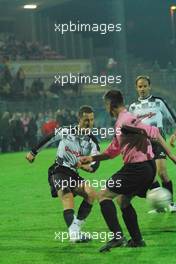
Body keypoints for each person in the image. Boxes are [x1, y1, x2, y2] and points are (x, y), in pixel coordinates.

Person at [79, 90, 176, 252]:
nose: (106, 108)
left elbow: (154, 132)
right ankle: (137, 240)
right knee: (122, 201)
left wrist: (171, 155)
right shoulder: (122, 121)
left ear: (110, 105)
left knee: (103, 195)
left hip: (137, 168)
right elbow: (113, 151)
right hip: (143, 167)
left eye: (106, 105)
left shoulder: (126, 121)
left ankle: (117, 238)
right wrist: (92, 158)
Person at [26, 105, 100, 242]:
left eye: (91, 120)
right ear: (79, 119)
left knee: (91, 193)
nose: (89, 123)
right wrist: (33, 152)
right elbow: (50, 138)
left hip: (73, 173)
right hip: (59, 170)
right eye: (86, 120)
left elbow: (95, 164)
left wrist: (83, 166)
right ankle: (74, 235)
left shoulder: (93, 141)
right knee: (67, 195)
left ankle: (75, 229)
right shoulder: (66, 130)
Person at [129, 76, 176, 212]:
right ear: (136, 88)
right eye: (140, 86)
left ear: (149, 87)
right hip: (142, 144)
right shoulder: (133, 107)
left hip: (158, 140)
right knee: (149, 176)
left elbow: (172, 119)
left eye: (144, 86)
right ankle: (160, 205)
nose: (142, 89)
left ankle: (170, 204)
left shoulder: (159, 102)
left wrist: (174, 135)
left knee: (162, 172)